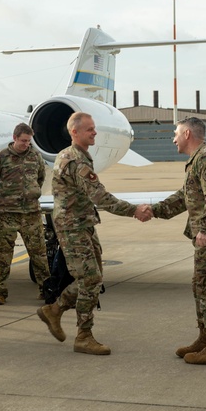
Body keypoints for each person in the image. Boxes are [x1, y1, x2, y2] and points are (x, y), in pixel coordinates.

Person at [36, 112, 150, 355]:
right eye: (89, 129)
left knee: (94, 278)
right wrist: (134, 211)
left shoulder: (76, 156)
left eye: (94, 128)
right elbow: (101, 197)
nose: (95, 132)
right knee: (89, 279)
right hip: (73, 228)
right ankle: (83, 336)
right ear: (75, 132)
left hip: (82, 224)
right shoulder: (75, 161)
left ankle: (54, 311)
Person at [150, 117, 206, 365]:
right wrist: (155, 210)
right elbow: (185, 197)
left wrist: (205, 229)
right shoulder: (198, 160)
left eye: (176, 133)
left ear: (188, 134)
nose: (173, 138)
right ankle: (205, 339)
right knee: (200, 286)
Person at [0, 122, 50, 305]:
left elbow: (40, 178)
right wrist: (4, 199)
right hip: (7, 214)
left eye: (29, 141)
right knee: (4, 255)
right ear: (14, 138)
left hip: (31, 213)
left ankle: (46, 290)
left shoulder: (35, 157)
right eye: (23, 141)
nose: (26, 144)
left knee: (39, 254)